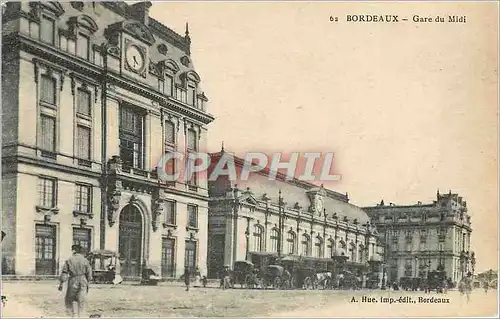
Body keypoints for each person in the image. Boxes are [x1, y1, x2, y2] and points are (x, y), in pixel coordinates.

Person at [58, 244, 93, 318]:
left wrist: (61, 284)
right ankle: (81, 316)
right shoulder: (85, 260)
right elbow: (89, 274)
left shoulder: (69, 260)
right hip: (83, 280)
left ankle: (71, 316)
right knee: (81, 300)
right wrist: (87, 284)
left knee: (69, 300)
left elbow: (64, 273)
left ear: (74, 250)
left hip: (73, 280)